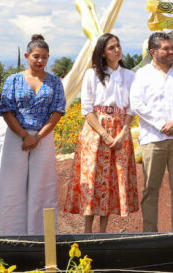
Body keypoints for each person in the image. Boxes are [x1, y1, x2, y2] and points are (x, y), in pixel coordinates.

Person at [0, 35, 65, 235]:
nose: (40, 61)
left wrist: (37, 137)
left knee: (43, 188)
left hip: (44, 137)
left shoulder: (55, 82)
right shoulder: (12, 80)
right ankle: (5, 237)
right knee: (9, 187)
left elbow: (57, 111)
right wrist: (24, 136)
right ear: (26, 56)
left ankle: (42, 237)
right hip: (16, 136)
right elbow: (6, 110)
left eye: (45, 57)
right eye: (36, 56)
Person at [64, 33, 139, 232]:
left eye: (118, 45)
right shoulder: (92, 74)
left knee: (112, 177)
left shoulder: (130, 76)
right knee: (92, 176)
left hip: (120, 129)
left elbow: (132, 108)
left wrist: (123, 133)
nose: (117, 50)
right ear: (103, 53)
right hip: (95, 129)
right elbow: (86, 109)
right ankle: (87, 230)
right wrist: (104, 134)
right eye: (112, 47)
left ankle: (103, 230)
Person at [130, 32, 173, 233]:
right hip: (153, 139)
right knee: (150, 189)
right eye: (166, 48)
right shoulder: (142, 75)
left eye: (171, 48)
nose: (171, 52)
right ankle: (150, 235)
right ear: (153, 52)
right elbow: (137, 104)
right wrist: (162, 124)